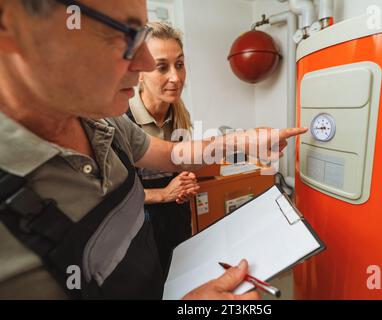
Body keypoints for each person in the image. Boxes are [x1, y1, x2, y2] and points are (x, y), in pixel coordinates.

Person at [0, 0, 307, 299]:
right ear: (11, 23)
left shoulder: (106, 125)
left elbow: (174, 155)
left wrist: (243, 142)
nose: (145, 63)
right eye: (125, 33)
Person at [127, 22, 198, 275]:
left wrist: (185, 181)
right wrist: (164, 194)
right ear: (140, 73)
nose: (176, 77)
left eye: (179, 64)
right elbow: (111, 195)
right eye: (161, 67)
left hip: (176, 225)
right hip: (137, 233)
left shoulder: (180, 113)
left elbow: (180, 166)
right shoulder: (122, 119)